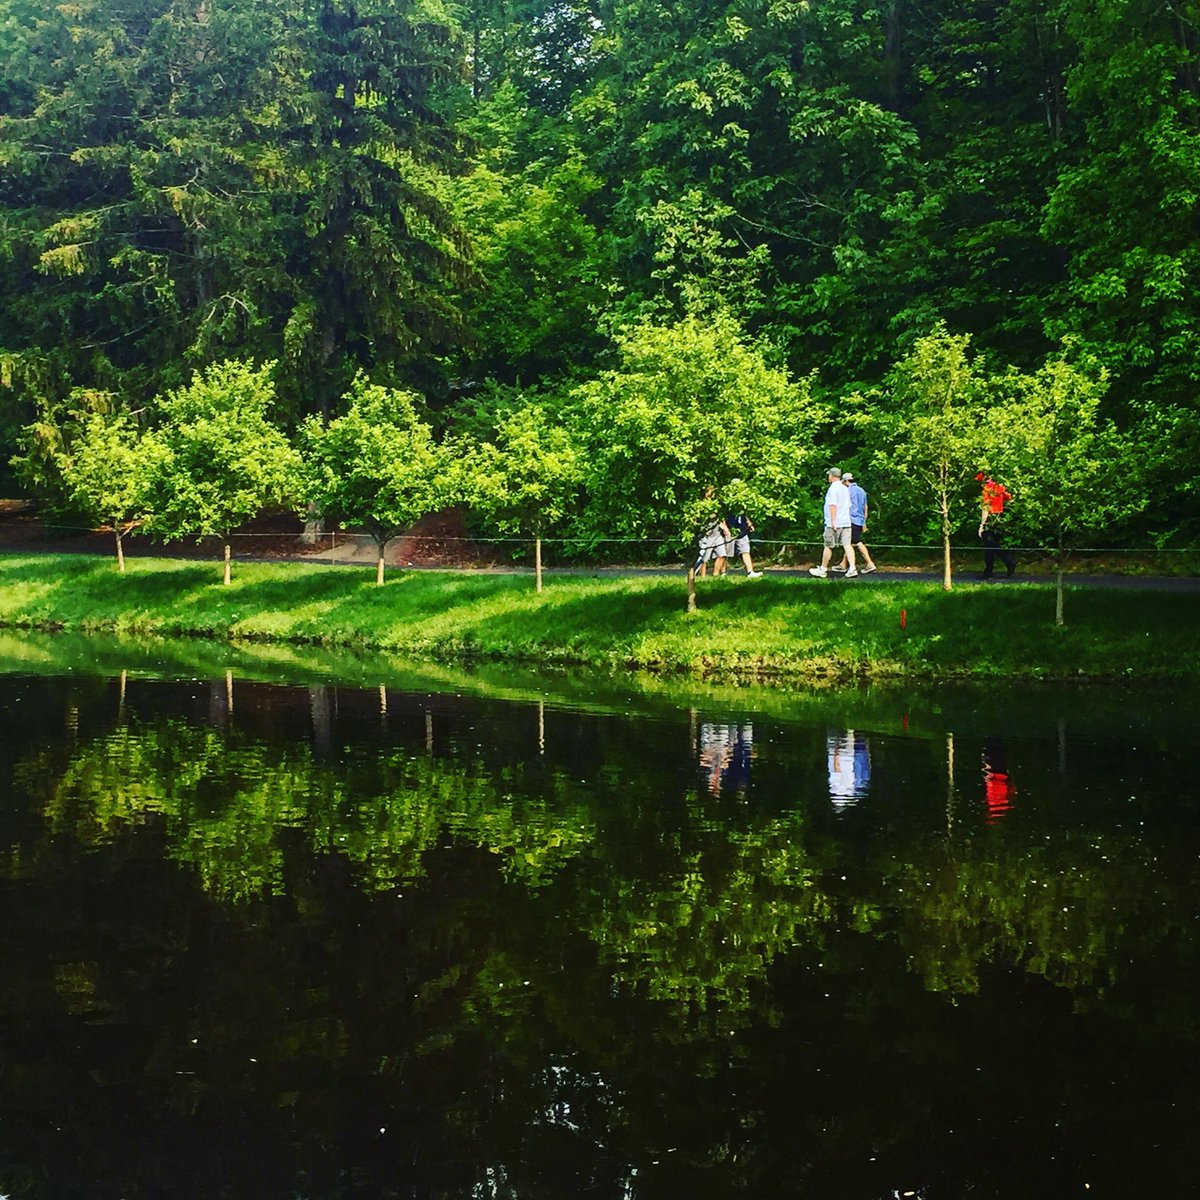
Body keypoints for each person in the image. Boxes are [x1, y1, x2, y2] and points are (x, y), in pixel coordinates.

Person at [809, 467, 856, 578]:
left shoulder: (833, 488)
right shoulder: (845, 488)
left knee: (828, 545)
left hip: (834, 523)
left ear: (831, 475)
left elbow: (832, 505)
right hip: (846, 521)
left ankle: (823, 569)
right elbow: (849, 505)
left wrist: (833, 521)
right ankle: (852, 568)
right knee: (847, 545)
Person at [832, 472, 877, 574]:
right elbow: (865, 507)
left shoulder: (847, 491)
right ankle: (843, 564)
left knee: (856, 542)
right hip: (860, 520)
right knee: (849, 543)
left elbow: (845, 506)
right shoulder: (862, 491)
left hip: (851, 520)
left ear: (846, 481)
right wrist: (864, 522)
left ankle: (870, 563)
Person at [977, 473, 1016, 579]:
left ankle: (989, 572)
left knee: (989, 548)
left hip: (990, 520)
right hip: (1000, 519)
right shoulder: (999, 487)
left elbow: (985, 508)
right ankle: (1008, 562)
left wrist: (982, 525)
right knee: (994, 546)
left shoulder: (986, 491)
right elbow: (1008, 497)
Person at [720, 499, 763, 579]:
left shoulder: (742, 503)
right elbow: (722, 517)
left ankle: (750, 572)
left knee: (745, 551)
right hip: (730, 531)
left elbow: (745, 515)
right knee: (725, 554)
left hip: (742, 531)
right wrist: (725, 528)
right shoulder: (727, 503)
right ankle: (723, 573)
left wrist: (749, 524)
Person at [695, 489, 730, 577]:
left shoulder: (717, 505)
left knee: (722, 554)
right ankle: (702, 576)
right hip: (706, 536)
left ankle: (715, 574)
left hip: (717, 535)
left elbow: (721, 518)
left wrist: (725, 528)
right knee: (704, 558)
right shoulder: (701, 505)